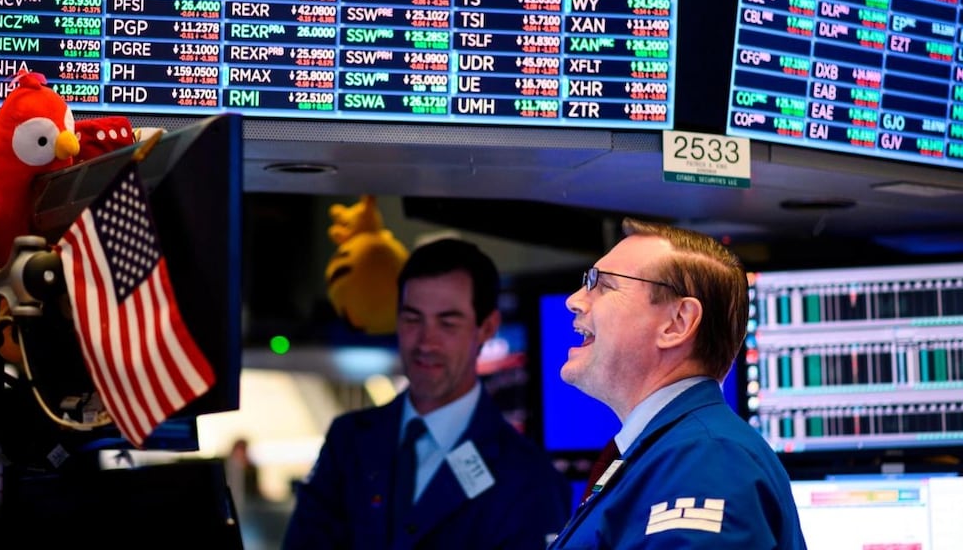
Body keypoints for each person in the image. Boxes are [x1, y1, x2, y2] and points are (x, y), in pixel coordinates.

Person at [283, 238, 573, 550]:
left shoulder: (529, 478)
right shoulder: (348, 442)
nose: (425, 342)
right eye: (412, 318)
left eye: (447, 323)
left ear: (487, 328)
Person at [548, 218, 807, 549]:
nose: (575, 300)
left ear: (677, 323)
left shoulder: (708, 459)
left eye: (603, 285)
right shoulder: (670, 454)